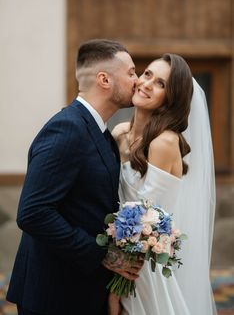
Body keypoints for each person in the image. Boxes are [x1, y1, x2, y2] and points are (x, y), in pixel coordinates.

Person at [6, 39, 143, 315]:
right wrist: (101, 255)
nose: (137, 80)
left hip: (79, 288)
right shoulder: (67, 128)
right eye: (130, 72)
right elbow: (32, 212)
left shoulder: (101, 131)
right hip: (54, 293)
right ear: (104, 79)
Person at [111, 53, 217, 314]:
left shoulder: (164, 142)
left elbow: (147, 216)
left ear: (170, 99)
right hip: (114, 255)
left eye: (160, 84)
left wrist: (117, 285)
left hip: (140, 263)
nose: (147, 84)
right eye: (147, 74)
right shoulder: (119, 133)